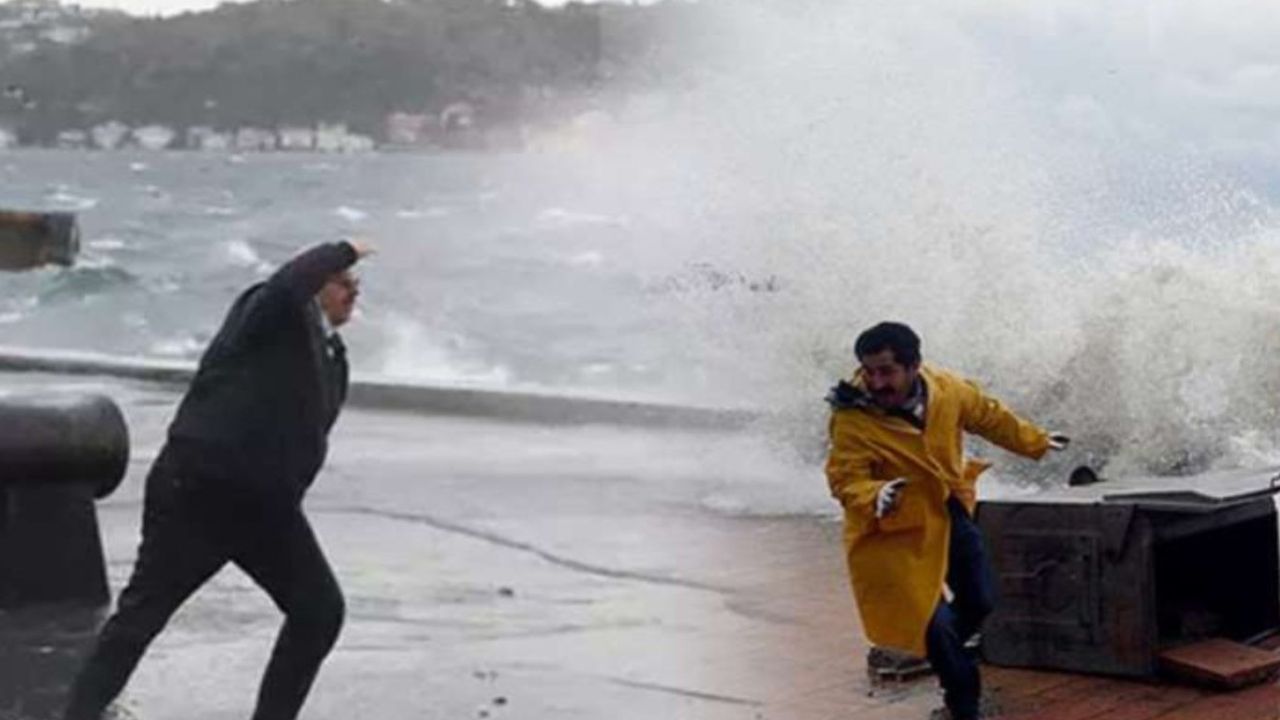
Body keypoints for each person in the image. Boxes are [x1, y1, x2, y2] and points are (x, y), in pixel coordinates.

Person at [63, 239, 373, 720]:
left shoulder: (333, 356)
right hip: (198, 494)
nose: (354, 291)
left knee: (319, 610)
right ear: (315, 283)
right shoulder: (268, 312)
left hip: (264, 510)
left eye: (357, 283)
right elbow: (286, 285)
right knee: (141, 618)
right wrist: (342, 249)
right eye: (343, 281)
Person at [824, 321, 1067, 720]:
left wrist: (1035, 440)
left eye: (886, 371)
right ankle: (962, 703)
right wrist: (874, 494)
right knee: (933, 623)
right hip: (891, 529)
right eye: (869, 371)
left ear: (914, 366)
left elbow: (988, 416)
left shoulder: (946, 389)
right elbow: (845, 478)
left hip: (947, 508)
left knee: (980, 599)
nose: (875, 382)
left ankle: (935, 649)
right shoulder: (852, 418)